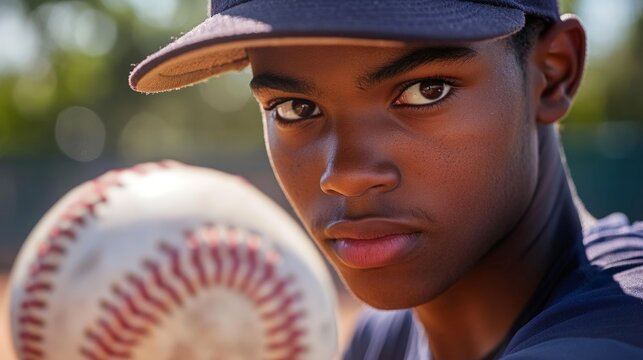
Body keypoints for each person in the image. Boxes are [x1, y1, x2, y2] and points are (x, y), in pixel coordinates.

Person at [129, 1, 643, 359]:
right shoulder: (381, 341)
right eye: (295, 107)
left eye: (426, 90)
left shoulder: (626, 321)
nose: (346, 176)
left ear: (553, 73)